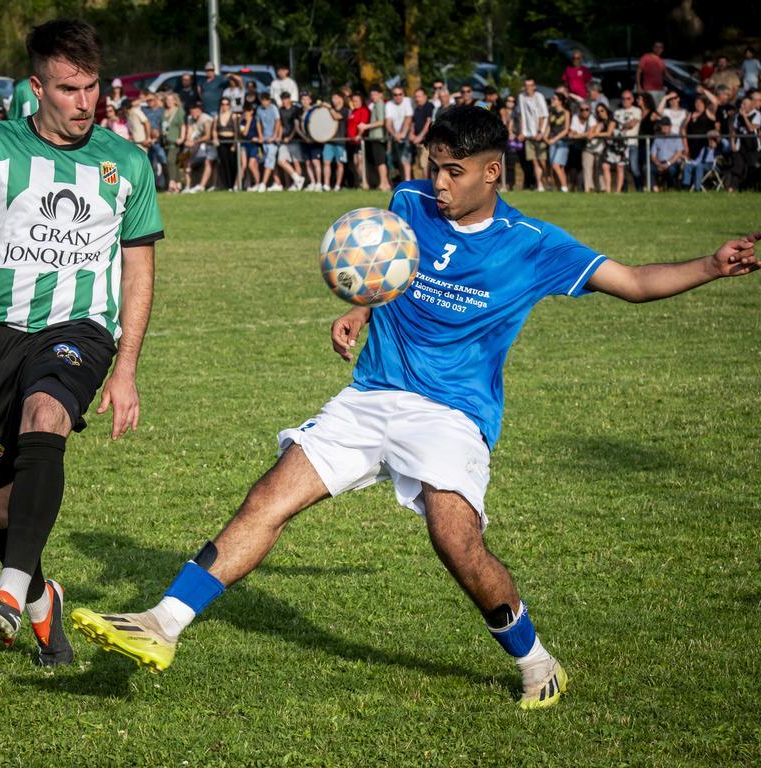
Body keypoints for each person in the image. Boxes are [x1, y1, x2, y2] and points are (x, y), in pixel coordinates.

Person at [71, 103, 761, 709]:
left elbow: (634, 281)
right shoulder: (407, 203)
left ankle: (536, 662)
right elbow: (388, 269)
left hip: (452, 414)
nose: (438, 182)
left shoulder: (535, 246)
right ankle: (163, 623)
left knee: (455, 540)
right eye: (434, 166)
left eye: (454, 171)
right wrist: (361, 311)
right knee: (268, 498)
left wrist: (711, 265)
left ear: (493, 172)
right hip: (371, 396)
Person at [0, 17, 163, 667]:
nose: (85, 102)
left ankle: (5, 591)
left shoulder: (128, 163)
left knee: (46, 414)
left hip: (78, 331)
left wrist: (128, 366)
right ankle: (37, 596)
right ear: (36, 87)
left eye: (92, 87)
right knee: (1, 505)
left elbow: (139, 268)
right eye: (68, 88)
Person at [517, 78, 549, 191]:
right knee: (534, 161)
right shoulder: (521, 97)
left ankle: (548, 180)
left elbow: (543, 115)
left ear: (534, 86)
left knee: (542, 161)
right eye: (526, 85)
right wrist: (522, 131)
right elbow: (521, 114)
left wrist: (540, 132)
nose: (528, 88)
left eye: (530, 85)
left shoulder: (539, 96)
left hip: (538, 134)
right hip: (528, 134)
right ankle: (540, 185)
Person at [362, 84, 391, 191]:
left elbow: (382, 121)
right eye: (371, 95)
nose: (373, 96)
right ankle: (383, 183)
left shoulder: (379, 104)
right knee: (379, 161)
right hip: (376, 137)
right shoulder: (375, 104)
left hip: (378, 137)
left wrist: (366, 126)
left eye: (375, 94)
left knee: (380, 162)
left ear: (380, 95)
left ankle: (384, 183)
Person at [613, 90, 642, 192]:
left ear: (633, 100)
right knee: (622, 169)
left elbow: (632, 124)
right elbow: (613, 126)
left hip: (632, 143)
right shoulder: (616, 112)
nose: (625, 100)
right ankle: (624, 190)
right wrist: (624, 126)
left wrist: (620, 125)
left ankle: (639, 189)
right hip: (620, 145)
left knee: (634, 168)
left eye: (628, 98)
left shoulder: (637, 111)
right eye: (623, 98)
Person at [182, 101, 214, 192]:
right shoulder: (190, 118)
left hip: (207, 145)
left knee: (208, 162)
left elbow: (208, 136)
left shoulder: (206, 119)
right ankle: (188, 186)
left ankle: (201, 186)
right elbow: (190, 131)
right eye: (191, 112)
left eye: (195, 112)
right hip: (195, 144)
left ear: (200, 111)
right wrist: (188, 140)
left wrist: (194, 142)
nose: (193, 114)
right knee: (183, 159)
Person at [277, 91, 306, 190]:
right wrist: (279, 137)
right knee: (281, 161)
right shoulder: (280, 110)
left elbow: (296, 126)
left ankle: (297, 185)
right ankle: (297, 179)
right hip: (284, 140)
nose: (284, 101)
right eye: (283, 99)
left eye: (286, 99)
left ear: (289, 99)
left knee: (296, 162)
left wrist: (290, 137)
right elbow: (280, 125)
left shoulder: (295, 110)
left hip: (294, 139)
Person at [254, 91, 282, 191]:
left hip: (273, 140)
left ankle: (263, 184)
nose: (265, 103)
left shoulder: (274, 108)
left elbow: (278, 122)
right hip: (265, 139)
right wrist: (261, 136)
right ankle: (278, 183)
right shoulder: (259, 109)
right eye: (263, 101)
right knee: (270, 162)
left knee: (269, 160)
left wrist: (274, 136)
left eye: (267, 101)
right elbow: (258, 123)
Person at [321, 90, 348, 191]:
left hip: (340, 141)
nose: (334, 100)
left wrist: (329, 108)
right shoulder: (329, 110)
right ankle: (326, 185)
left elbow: (337, 116)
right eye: (333, 98)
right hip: (329, 141)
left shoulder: (345, 110)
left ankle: (337, 185)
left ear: (341, 98)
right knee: (326, 162)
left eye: (336, 98)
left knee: (339, 164)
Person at [385, 86, 413, 182]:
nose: (398, 96)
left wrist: (403, 133)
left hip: (407, 135)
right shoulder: (389, 104)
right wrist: (395, 134)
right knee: (398, 160)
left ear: (403, 94)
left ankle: (408, 181)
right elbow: (388, 123)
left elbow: (408, 119)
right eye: (395, 95)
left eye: (400, 94)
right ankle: (403, 181)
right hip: (395, 136)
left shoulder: (407, 101)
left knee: (406, 160)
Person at [295, 91, 322, 191]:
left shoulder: (315, 110)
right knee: (307, 162)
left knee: (316, 161)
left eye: (307, 99)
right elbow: (297, 127)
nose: (305, 101)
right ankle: (313, 182)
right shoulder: (299, 112)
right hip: (304, 140)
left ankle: (319, 182)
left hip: (315, 140)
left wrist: (314, 137)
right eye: (303, 99)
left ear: (310, 100)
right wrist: (304, 138)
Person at [650, 117, 685, 190]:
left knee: (671, 170)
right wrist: (659, 164)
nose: (665, 127)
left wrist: (667, 164)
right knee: (647, 168)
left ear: (670, 126)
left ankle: (671, 187)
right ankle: (655, 188)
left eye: (667, 125)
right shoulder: (657, 138)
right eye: (663, 125)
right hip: (659, 162)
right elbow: (653, 155)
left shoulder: (676, 137)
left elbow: (679, 153)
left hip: (673, 163)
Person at [161, 91, 186, 192]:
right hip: (166, 141)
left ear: (175, 101)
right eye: (167, 100)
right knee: (174, 163)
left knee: (171, 160)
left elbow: (183, 125)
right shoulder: (164, 112)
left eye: (171, 100)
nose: (169, 102)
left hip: (175, 140)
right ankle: (178, 184)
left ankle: (171, 183)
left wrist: (182, 137)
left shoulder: (179, 111)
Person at [569, 102, 597, 192]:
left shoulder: (592, 118)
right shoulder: (575, 117)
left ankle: (584, 187)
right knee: (574, 166)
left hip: (590, 146)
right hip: (577, 145)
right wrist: (581, 135)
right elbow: (571, 134)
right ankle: (575, 187)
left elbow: (589, 133)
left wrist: (578, 135)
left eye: (587, 109)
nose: (585, 112)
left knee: (584, 167)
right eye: (582, 110)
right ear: (579, 110)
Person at [211, 96, 239, 189]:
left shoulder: (234, 116)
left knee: (232, 162)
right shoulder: (217, 116)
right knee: (223, 163)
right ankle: (226, 185)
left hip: (231, 140)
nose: (225, 106)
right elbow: (214, 130)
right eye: (223, 104)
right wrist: (215, 138)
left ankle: (232, 183)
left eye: (227, 104)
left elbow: (236, 130)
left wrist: (234, 144)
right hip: (221, 140)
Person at [595, 103, 622, 193]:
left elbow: (609, 133)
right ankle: (608, 190)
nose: (600, 113)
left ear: (606, 110)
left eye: (602, 110)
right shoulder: (601, 123)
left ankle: (618, 191)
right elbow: (596, 132)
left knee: (619, 167)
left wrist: (596, 134)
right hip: (609, 146)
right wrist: (597, 130)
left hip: (619, 146)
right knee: (605, 166)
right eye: (598, 112)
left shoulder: (612, 120)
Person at [546, 93, 570, 191]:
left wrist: (554, 139)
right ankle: (560, 187)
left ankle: (564, 187)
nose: (552, 100)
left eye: (554, 99)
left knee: (556, 165)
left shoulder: (566, 112)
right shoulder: (551, 112)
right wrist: (545, 137)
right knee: (558, 166)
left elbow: (566, 129)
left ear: (560, 101)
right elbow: (548, 127)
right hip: (552, 141)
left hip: (562, 142)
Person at [411, 88, 434, 179]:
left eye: (419, 96)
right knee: (420, 165)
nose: (417, 99)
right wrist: (412, 134)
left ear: (425, 96)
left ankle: (426, 185)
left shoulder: (429, 106)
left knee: (425, 164)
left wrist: (420, 136)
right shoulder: (416, 109)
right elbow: (413, 123)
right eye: (416, 97)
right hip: (418, 142)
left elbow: (429, 122)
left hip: (426, 141)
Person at [637, 41, 667, 106]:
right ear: (653, 48)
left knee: (661, 111)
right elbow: (638, 72)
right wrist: (638, 86)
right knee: (651, 110)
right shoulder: (646, 57)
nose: (658, 49)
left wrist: (677, 81)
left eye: (660, 47)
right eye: (656, 47)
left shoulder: (661, 61)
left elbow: (666, 74)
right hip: (650, 91)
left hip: (661, 90)